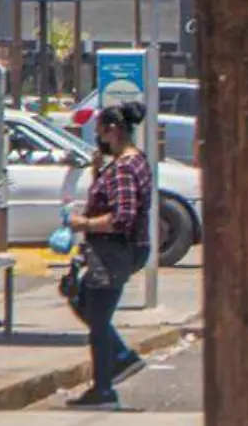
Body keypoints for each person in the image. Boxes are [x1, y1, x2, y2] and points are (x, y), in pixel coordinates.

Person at [64, 102, 153, 409]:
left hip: (114, 252)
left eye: (99, 131)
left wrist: (83, 223)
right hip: (110, 251)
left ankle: (104, 388)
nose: (97, 137)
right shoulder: (126, 163)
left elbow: (123, 216)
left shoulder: (126, 168)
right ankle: (120, 360)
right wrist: (97, 169)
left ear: (112, 131)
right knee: (82, 300)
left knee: (98, 318)